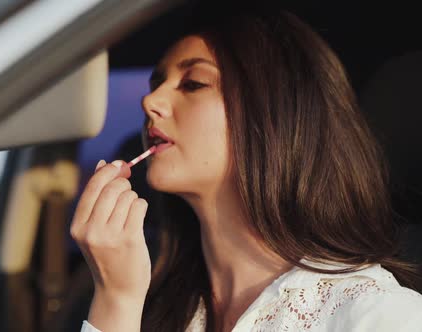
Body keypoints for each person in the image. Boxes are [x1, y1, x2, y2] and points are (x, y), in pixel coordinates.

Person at [70, 7, 422, 332]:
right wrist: (117, 300)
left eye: (193, 83)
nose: (150, 101)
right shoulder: (155, 306)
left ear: (274, 115)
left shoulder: (378, 315)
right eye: (156, 84)